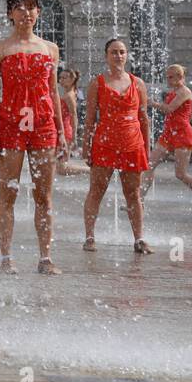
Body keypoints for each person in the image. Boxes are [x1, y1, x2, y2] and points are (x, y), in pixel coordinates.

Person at [0, 0, 66, 276]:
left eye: (31, 8)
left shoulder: (50, 49)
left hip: (43, 126)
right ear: (10, 14)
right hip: (10, 125)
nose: (26, 13)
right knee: (8, 192)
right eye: (19, 8)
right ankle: (6, 256)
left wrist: (62, 132)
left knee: (44, 195)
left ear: (38, 13)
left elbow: (54, 92)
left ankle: (45, 257)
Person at [81, 39, 153, 255]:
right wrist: (86, 147)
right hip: (105, 143)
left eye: (122, 52)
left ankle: (139, 239)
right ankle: (90, 237)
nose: (118, 56)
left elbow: (144, 118)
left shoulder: (137, 83)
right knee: (96, 191)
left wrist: (147, 150)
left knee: (133, 193)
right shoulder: (97, 83)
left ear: (127, 55)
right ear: (106, 56)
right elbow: (90, 119)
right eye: (114, 52)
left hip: (133, 144)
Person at [142, 64, 192, 220]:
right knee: (149, 165)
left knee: (180, 174)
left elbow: (169, 109)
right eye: (167, 76)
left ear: (180, 77)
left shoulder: (184, 91)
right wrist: (186, 119)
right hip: (170, 134)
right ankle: (139, 201)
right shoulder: (176, 91)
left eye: (170, 77)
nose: (167, 79)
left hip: (182, 135)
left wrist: (151, 103)